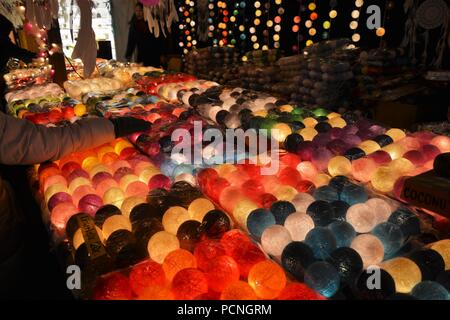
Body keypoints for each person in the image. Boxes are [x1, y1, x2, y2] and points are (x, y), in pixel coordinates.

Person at [125, 2, 164, 67]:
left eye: (140, 10)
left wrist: (162, 54)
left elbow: (159, 39)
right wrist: (128, 55)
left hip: (154, 55)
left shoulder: (152, 23)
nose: (138, 13)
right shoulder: (134, 25)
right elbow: (131, 41)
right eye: (136, 11)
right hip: (141, 56)